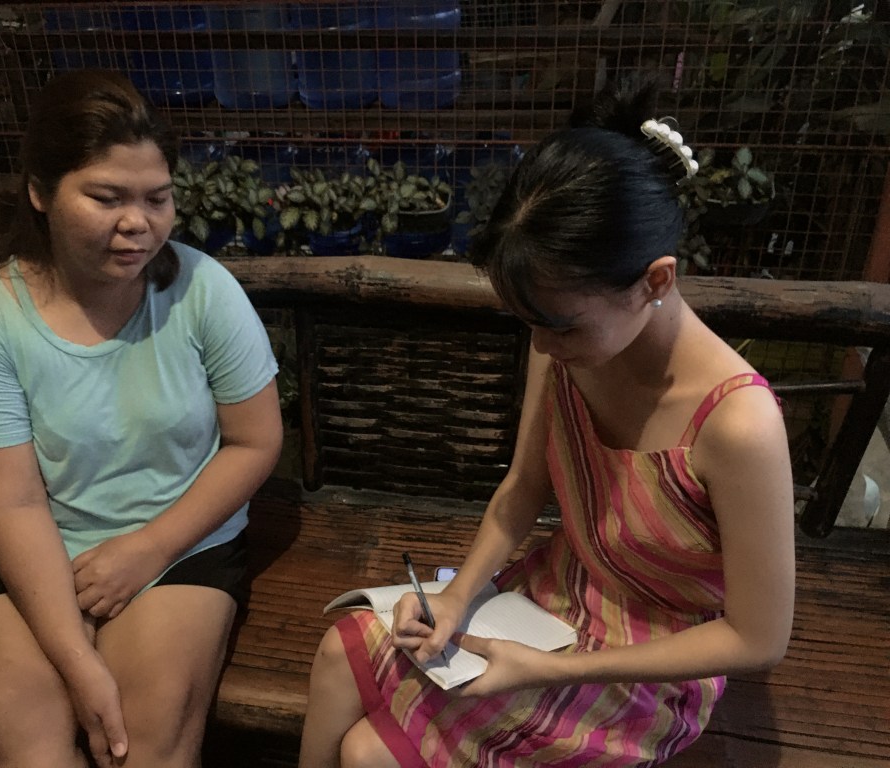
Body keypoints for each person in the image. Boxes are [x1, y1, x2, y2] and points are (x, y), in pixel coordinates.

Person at [297, 78, 795, 767]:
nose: (539, 345)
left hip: (654, 659)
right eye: (527, 322)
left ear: (655, 281)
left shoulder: (738, 424)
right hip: (558, 592)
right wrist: (456, 598)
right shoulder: (566, 345)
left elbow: (758, 639)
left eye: (558, 325)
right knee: (339, 653)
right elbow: (522, 489)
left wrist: (551, 670)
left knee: (369, 753)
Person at [0, 69, 283, 768]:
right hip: (45, 546)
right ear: (40, 192)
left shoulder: (203, 290)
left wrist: (148, 548)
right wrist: (77, 662)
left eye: (157, 198)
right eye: (106, 197)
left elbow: (254, 441)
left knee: (144, 744)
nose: (138, 222)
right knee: (23, 741)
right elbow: (13, 502)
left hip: (182, 538)